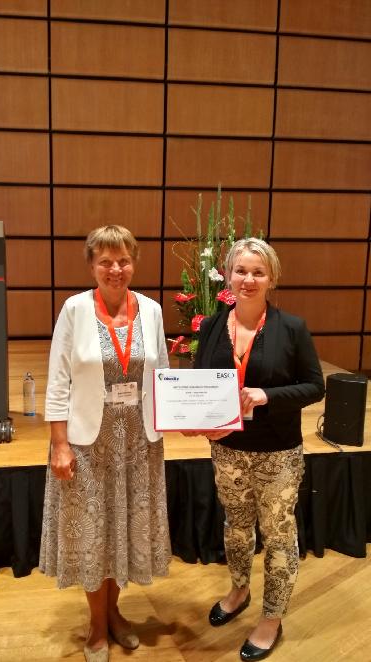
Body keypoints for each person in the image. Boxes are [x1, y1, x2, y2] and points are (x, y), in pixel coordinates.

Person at [39, 225, 171, 662]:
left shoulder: (151, 310)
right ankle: (97, 625)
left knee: (122, 530)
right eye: (106, 262)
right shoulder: (75, 309)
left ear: (134, 263)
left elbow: (162, 374)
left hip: (139, 441)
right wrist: (59, 444)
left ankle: (114, 613)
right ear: (92, 265)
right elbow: (58, 381)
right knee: (95, 534)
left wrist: (187, 416)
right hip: (87, 442)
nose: (116, 269)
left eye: (123, 261)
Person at [191, 238, 324, 661]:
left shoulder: (292, 328)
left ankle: (271, 617)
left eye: (258, 272)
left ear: (272, 279)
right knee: (236, 527)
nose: (248, 279)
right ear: (228, 276)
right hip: (228, 450)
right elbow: (199, 385)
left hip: (278, 453)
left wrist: (268, 396)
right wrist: (199, 423)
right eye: (241, 271)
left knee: (279, 534)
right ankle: (239, 590)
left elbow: (315, 386)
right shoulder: (212, 327)